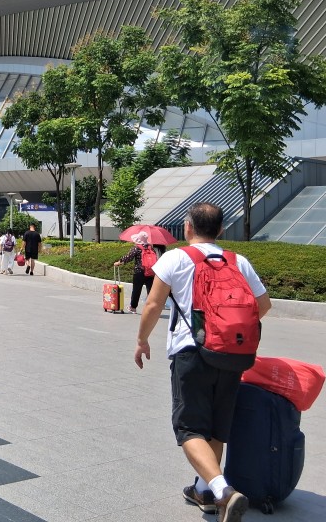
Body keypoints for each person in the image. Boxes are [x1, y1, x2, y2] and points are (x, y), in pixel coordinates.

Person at [134, 202, 272, 522]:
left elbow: (154, 304)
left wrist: (142, 340)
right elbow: (262, 305)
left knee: (190, 428)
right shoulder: (238, 261)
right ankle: (205, 493)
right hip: (232, 356)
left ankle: (223, 491)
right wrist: (230, 330)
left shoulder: (175, 257)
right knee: (216, 427)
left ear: (188, 228)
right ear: (221, 230)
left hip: (192, 352)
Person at [114, 230, 156, 313]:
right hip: (151, 272)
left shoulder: (137, 248)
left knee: (137, 290)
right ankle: (151, 308)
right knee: (151, 291)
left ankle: (133, 307)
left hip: (139, 271)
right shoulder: (151, 248)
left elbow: (128, 257)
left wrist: (119, 262)